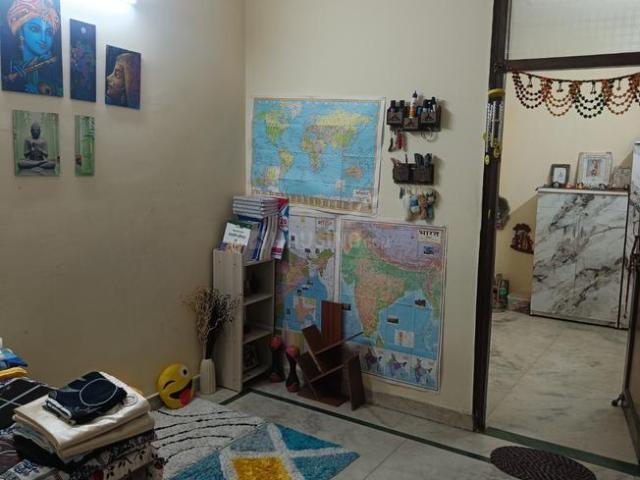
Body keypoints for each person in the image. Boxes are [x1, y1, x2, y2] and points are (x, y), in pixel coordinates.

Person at [3, 0, 62, 95]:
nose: (43, 39)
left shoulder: (52, 68)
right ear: (21, 31)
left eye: (49, 32)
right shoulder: (11, 66)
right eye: (35, 29)